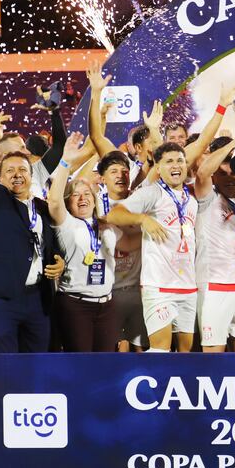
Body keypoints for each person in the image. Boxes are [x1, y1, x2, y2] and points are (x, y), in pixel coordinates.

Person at [0, 111, 65, 353]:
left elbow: (59, 145)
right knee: (6, 366)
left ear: (32, 176)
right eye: (10, 171)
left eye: (23, 170)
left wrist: (59, 260)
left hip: (37, 299)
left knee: (36, 365)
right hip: (0, 299)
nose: (17, 175)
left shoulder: (40, 208)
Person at [106, 143, 198, 353]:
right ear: (158, 168)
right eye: (169, 161)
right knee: (160, 351)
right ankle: (152, 386)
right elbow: (114, 214)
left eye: (180, 160)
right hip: (159, 287)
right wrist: (142, 219)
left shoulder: (191, 200)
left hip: (188, 287)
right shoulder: (152, 194)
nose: (175, 165)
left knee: (186, 355)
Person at [48, 133, 131, 352]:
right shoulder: (66, 224)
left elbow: (130, 245)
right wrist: (66, 161)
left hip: (107, 304)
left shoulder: (106, 225)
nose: (83, 198)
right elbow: (54, 200)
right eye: (76, 195)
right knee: (81, 363)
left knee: (104, 363)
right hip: (75, 305)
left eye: (87, 194)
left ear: (95, 200)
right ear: (69, 202)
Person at [194, 135, 235, 352]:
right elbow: (202, 172)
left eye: (234, 173)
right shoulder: (206, 198)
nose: (230, 178)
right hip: (214, 288)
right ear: (214, 177)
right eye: (223, 174)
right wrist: (234, 142)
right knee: (213, 357)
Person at [95, 151, 147, 352]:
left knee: (141, 348)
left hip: (138, 289)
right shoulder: (94, 204)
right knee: (113, 350)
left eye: (125, 171)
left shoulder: (141, 201)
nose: (120, 176)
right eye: (113, 171)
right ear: (102, 178)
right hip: (108, 292)